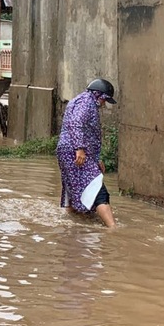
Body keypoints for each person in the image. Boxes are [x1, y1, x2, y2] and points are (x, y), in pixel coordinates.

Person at [56, 78, 117, 228]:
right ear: (99, 95)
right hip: (75, 152)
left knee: (73, 187)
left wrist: (95, 159)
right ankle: (113, 228)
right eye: (104, 100)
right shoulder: (86, 103)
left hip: (69, 152)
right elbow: (76, 124)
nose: (103, 104)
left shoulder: (80, 100)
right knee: (96, 188)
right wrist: (80, 149)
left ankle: (71, 225)